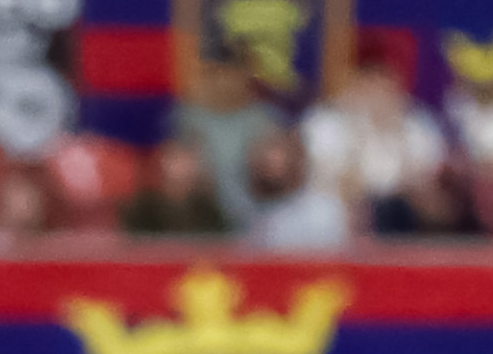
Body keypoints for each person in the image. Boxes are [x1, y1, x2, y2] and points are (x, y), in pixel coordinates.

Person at [300, 36, 450, 233]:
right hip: (337, 214)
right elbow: (341, 183)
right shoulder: (325, 121)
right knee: (331, 211)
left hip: (399, 215)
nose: (376, 88)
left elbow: (425, 185)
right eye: (368, 79)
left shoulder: (417, 123)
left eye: (383, 79)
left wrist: (394, 130)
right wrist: (357, 127)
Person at [171, 54, 280, 232]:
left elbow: (275, 174)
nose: (225, 81)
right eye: (218, 74)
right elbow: (177, 167)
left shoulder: (263, 118)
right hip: (202, 213)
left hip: (258, 214)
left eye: (232, 74)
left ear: (246, 78)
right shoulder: (189, 118)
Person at [240, 127, 351, 249]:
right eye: (263, 164)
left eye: (277, 163)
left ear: (297, 164)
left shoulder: (324, 213)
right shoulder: (245, 210)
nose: (268, 169)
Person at [122, 139, 227, 234]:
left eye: (190, 158)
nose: (184, 167)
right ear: (163, 161)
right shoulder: (142, 209)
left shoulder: (209, 211)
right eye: (178, 158)